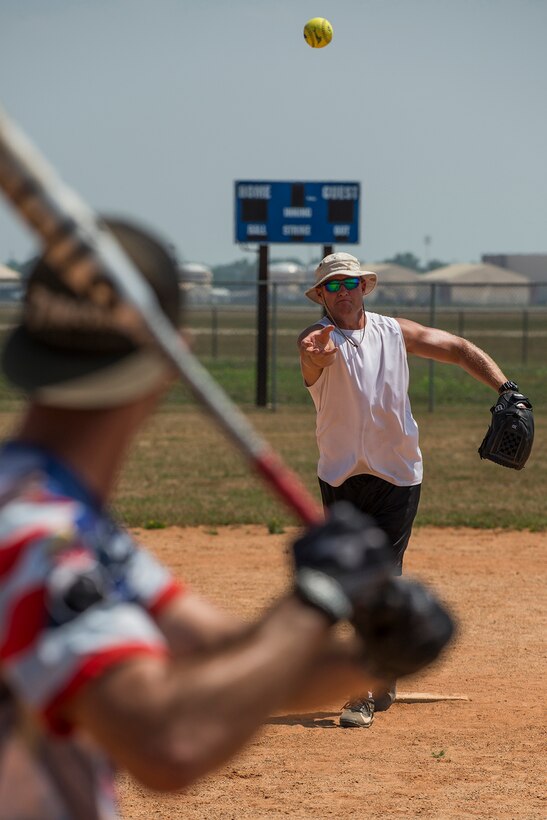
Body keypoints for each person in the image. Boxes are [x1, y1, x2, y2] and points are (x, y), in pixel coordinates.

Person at [0, 223, 425, 819]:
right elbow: (167, 744)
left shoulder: (54, 512)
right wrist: (317, 600)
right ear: (171, 358)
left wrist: (374, 655)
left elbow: (220, 650)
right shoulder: (42, 536)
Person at [298, 251, 520, 729]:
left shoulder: (394, 332)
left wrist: (507, 389)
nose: (341, 292)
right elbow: (311, 357)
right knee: (356, 579)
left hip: (398, 474)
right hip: (340, 475)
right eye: (330, 287)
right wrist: (315, 356)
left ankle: (362, 685)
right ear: (320, 296)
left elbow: (458, 348)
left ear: (364, 286)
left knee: (381, 576)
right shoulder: (318, 338)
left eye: (348, 283)